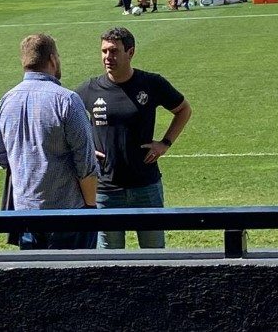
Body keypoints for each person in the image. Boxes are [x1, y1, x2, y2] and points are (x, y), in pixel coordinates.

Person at [76, 27, 192, 249]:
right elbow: (68, 123)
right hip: (105, 190)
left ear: (130, 52)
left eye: (114, 51)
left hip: (145, 186)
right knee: (109, 261)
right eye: (104, 52)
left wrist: (165, 143)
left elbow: (183, 109)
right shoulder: (90, 89)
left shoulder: (151, 83)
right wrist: (86, 149)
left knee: (155, 254)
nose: (108, 57)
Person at [0, 33, 99, 250]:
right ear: (52, 59)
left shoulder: (7, 99)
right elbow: (85, 163)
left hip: (25, 214)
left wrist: (26, 164)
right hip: (68, 213)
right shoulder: (67, 100)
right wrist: (90, 206)